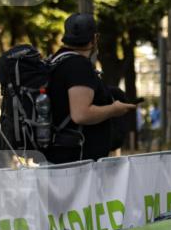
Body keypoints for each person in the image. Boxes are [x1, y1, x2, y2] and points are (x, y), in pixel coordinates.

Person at [44, 13, 136, 164]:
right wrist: (114, 109)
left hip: (61, 157)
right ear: (95, 38)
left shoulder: (57, 61)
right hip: (76, 163)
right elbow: (81, 114)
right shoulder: (78, 66)